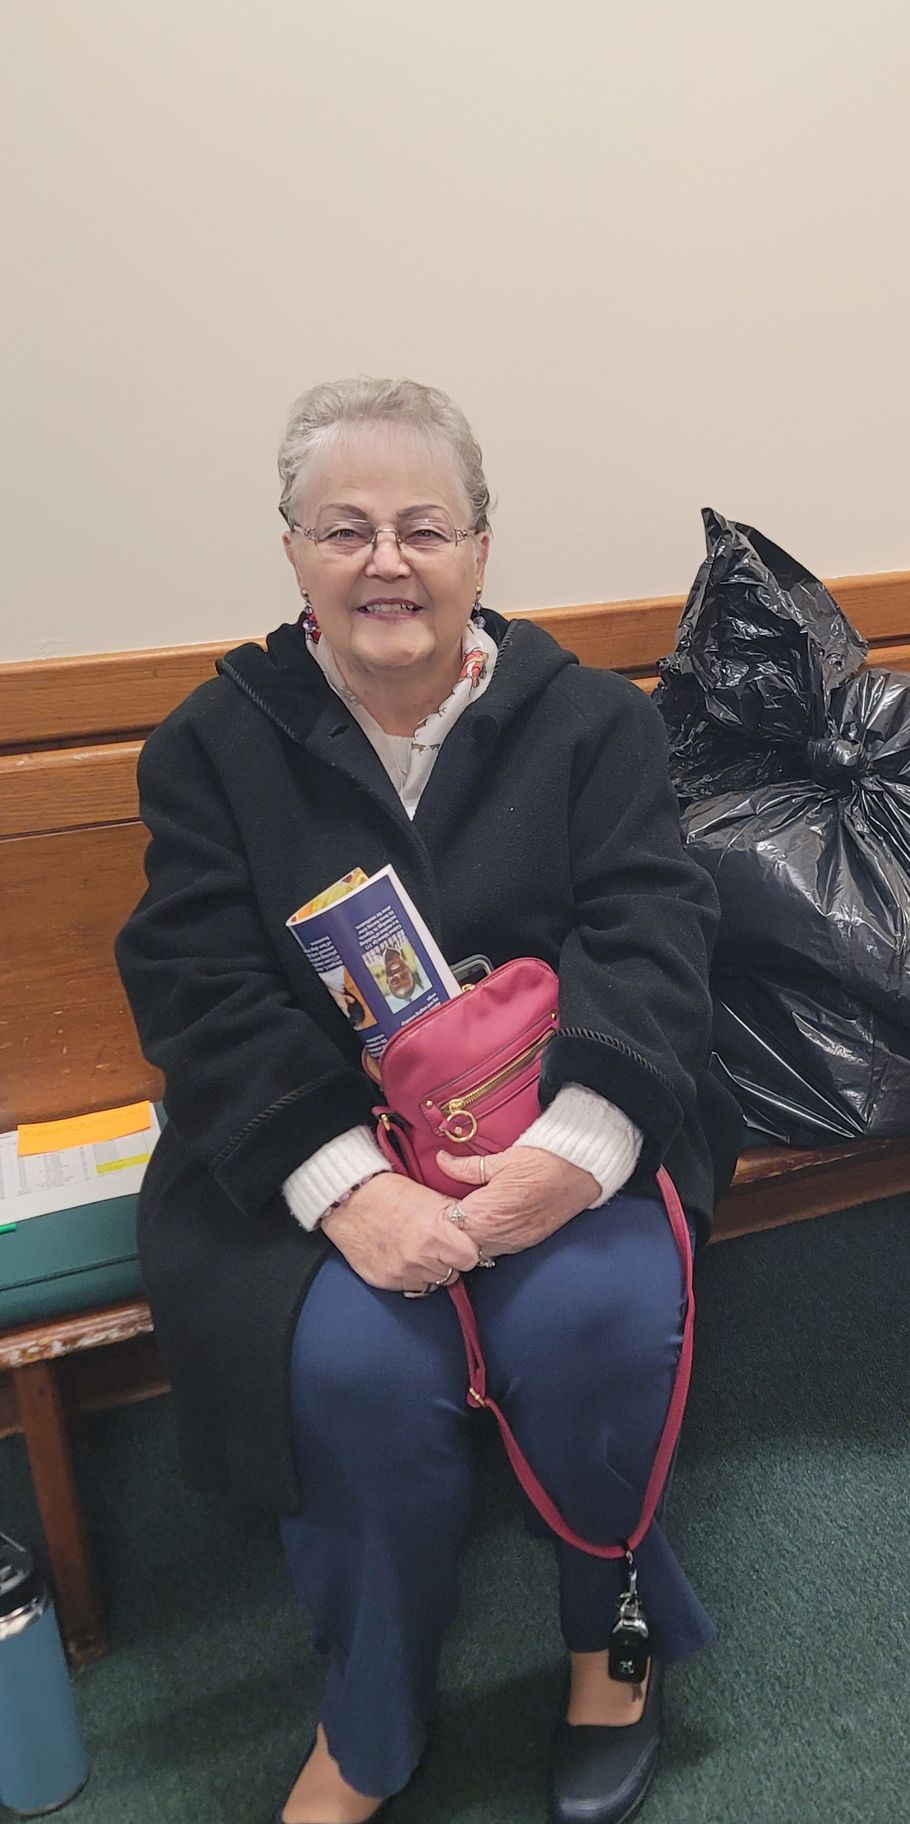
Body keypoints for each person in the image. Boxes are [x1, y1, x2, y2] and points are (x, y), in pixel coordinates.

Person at [117, 378, 740, 1824]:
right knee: (353, 1371)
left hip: (561, 1119)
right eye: (345, 530)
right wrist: (351, 1191)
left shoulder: (592, 721)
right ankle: (369, 1714)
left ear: (479, 547)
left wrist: (578, 1152)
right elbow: (198, 988)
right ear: (292, 552)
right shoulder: (211, 745)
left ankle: (611, 1640)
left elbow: (654, 930)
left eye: (424, 528)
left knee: (592, 1318)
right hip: (319, 1154)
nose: (386, 563)